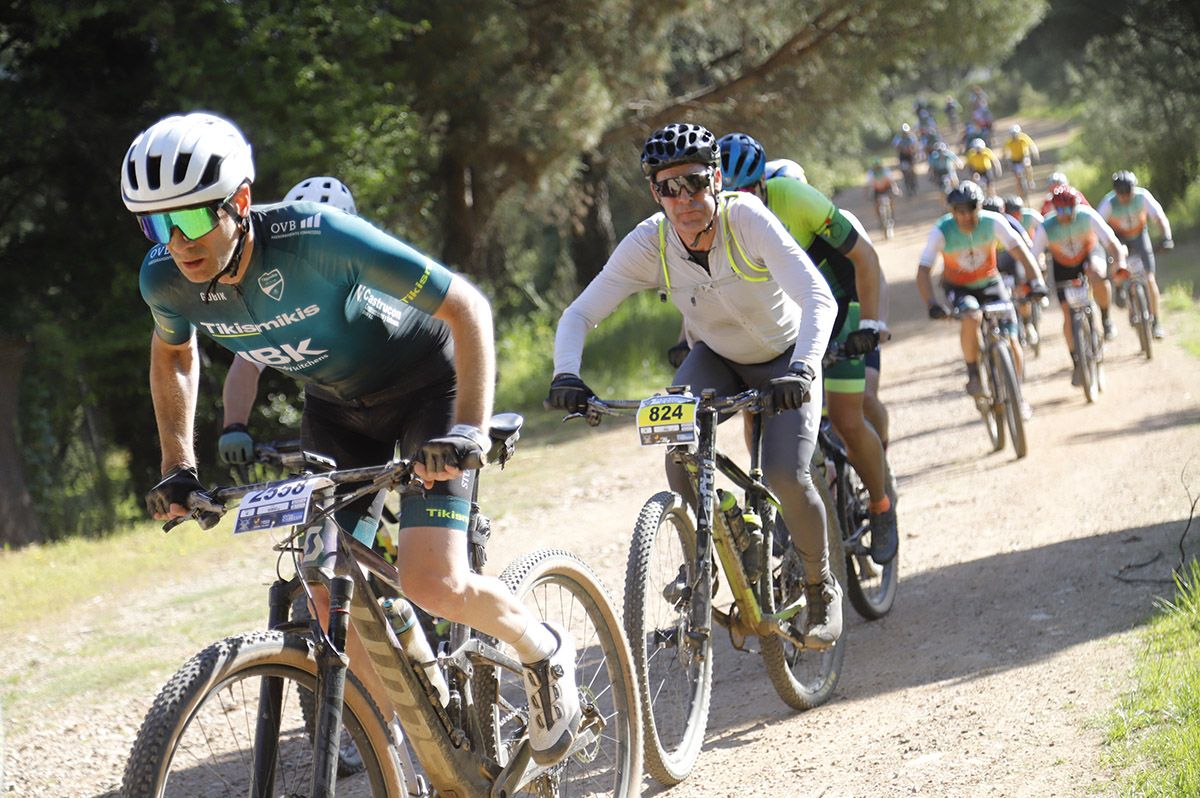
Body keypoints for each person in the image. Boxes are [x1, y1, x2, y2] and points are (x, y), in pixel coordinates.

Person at [124, 111, 580, 766]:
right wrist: (179, 466)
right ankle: (389, 744)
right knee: (325, 577)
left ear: (241, 202)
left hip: (428, 393)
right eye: (153, 224)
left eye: (192, 219)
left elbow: (467, 307)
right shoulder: (165, 278)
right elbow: (174, 355)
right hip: (337, 411)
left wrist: (467, 433)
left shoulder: (319, 239)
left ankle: (542, 649)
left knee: (433, 581)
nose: (176, 242)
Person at [547, 122, 844, 647]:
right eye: (668, 188)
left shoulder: (746, 219)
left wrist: (801, 370)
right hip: (718, 359)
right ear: (654, 192)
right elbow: (578, 315)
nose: (684, 199)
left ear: (717, 178)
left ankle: (821, 588)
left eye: (694, 183)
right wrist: (566, 373)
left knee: (783, 470)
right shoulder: (650, 242)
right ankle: (715, 539)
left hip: (785, 360)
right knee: (678, 445)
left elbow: (819, 298)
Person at [719, 132, 897, 563]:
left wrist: (869, 326)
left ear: (765, 185)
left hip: (839, 308)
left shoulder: (795, 198)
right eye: (730, 195)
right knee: (755, 408)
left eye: (749, 193)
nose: (741, 203)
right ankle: (781, 496)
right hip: (784, 324)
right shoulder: (718, 219)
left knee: (846, 416)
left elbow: (865, 258)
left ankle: (881, 506)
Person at [218, 176, 360, 471]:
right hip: (331, 411)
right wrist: (234, 426)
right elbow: (246, 362)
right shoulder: (274, 294)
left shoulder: (368, 278)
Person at [917, 181, 1047, 416]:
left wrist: (1036, 281)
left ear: (980, 206)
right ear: (952, 211)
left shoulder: (993, 222)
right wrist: (932, 304)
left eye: (972, 208)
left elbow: (1022, 254)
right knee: (972, 316)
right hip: (959, 288)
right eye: (960, 211)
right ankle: (973, 373)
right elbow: (923, 270)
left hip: (991, 283)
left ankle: (1017, 395)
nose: (967, 216)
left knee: (1012, 339)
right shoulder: (941, 231)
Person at [1030, 185, 1128, 383]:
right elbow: (1033, 256)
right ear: (1054, 209)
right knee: (1067, 313)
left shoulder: (1088, 215)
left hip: (1089, 254)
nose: (1064, 214)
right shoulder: (1046, 226)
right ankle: (1077, 362)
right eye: (1059, 210)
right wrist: (1034, 281)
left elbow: (1111, 242)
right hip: (1063, 264)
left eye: (1068, 209)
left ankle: (1106, 319)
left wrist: (1121, 263)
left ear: (1076, 206)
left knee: (1096, 272)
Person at [1097, 171, 1174, 339]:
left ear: (1134, 188)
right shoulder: (1108, 202)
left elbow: (1159, 217)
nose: (1125, 197)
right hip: (1120, 238)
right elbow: (1099, 225)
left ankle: (1156, 322)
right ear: (1116, 193)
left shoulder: (1142, 196)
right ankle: (1119, 286)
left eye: (1128, 193)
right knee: (1118, 256)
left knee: (1150, 279)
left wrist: (1166, 237)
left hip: (1140, 236)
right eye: (1121, 194)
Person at [1002, 124, 1040, 195]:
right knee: (1017, 177)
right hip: (1015, 159)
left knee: (1027, 164)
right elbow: (1004, 152)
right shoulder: (1008, 141)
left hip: (1024, 156)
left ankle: (1030, 180)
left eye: (1015, 135)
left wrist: (1035, 154)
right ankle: (1020, 192)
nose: (1014, 136)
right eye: (1012, 135)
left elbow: (1032, 146)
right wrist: (1005, 161)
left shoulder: (1023, 137)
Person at [865, 159, 899, 236]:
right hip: (877, 190)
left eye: (878, 166)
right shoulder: (871, 173)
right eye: (876, 166)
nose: (877, 168)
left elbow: (892, 181)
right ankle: (880, 219)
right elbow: (867, 185)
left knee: (890, 200)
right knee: (876, 204)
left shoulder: (886, 171)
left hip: (887, 188)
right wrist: (867, 195)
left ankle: (891, 214)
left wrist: (895, 189)